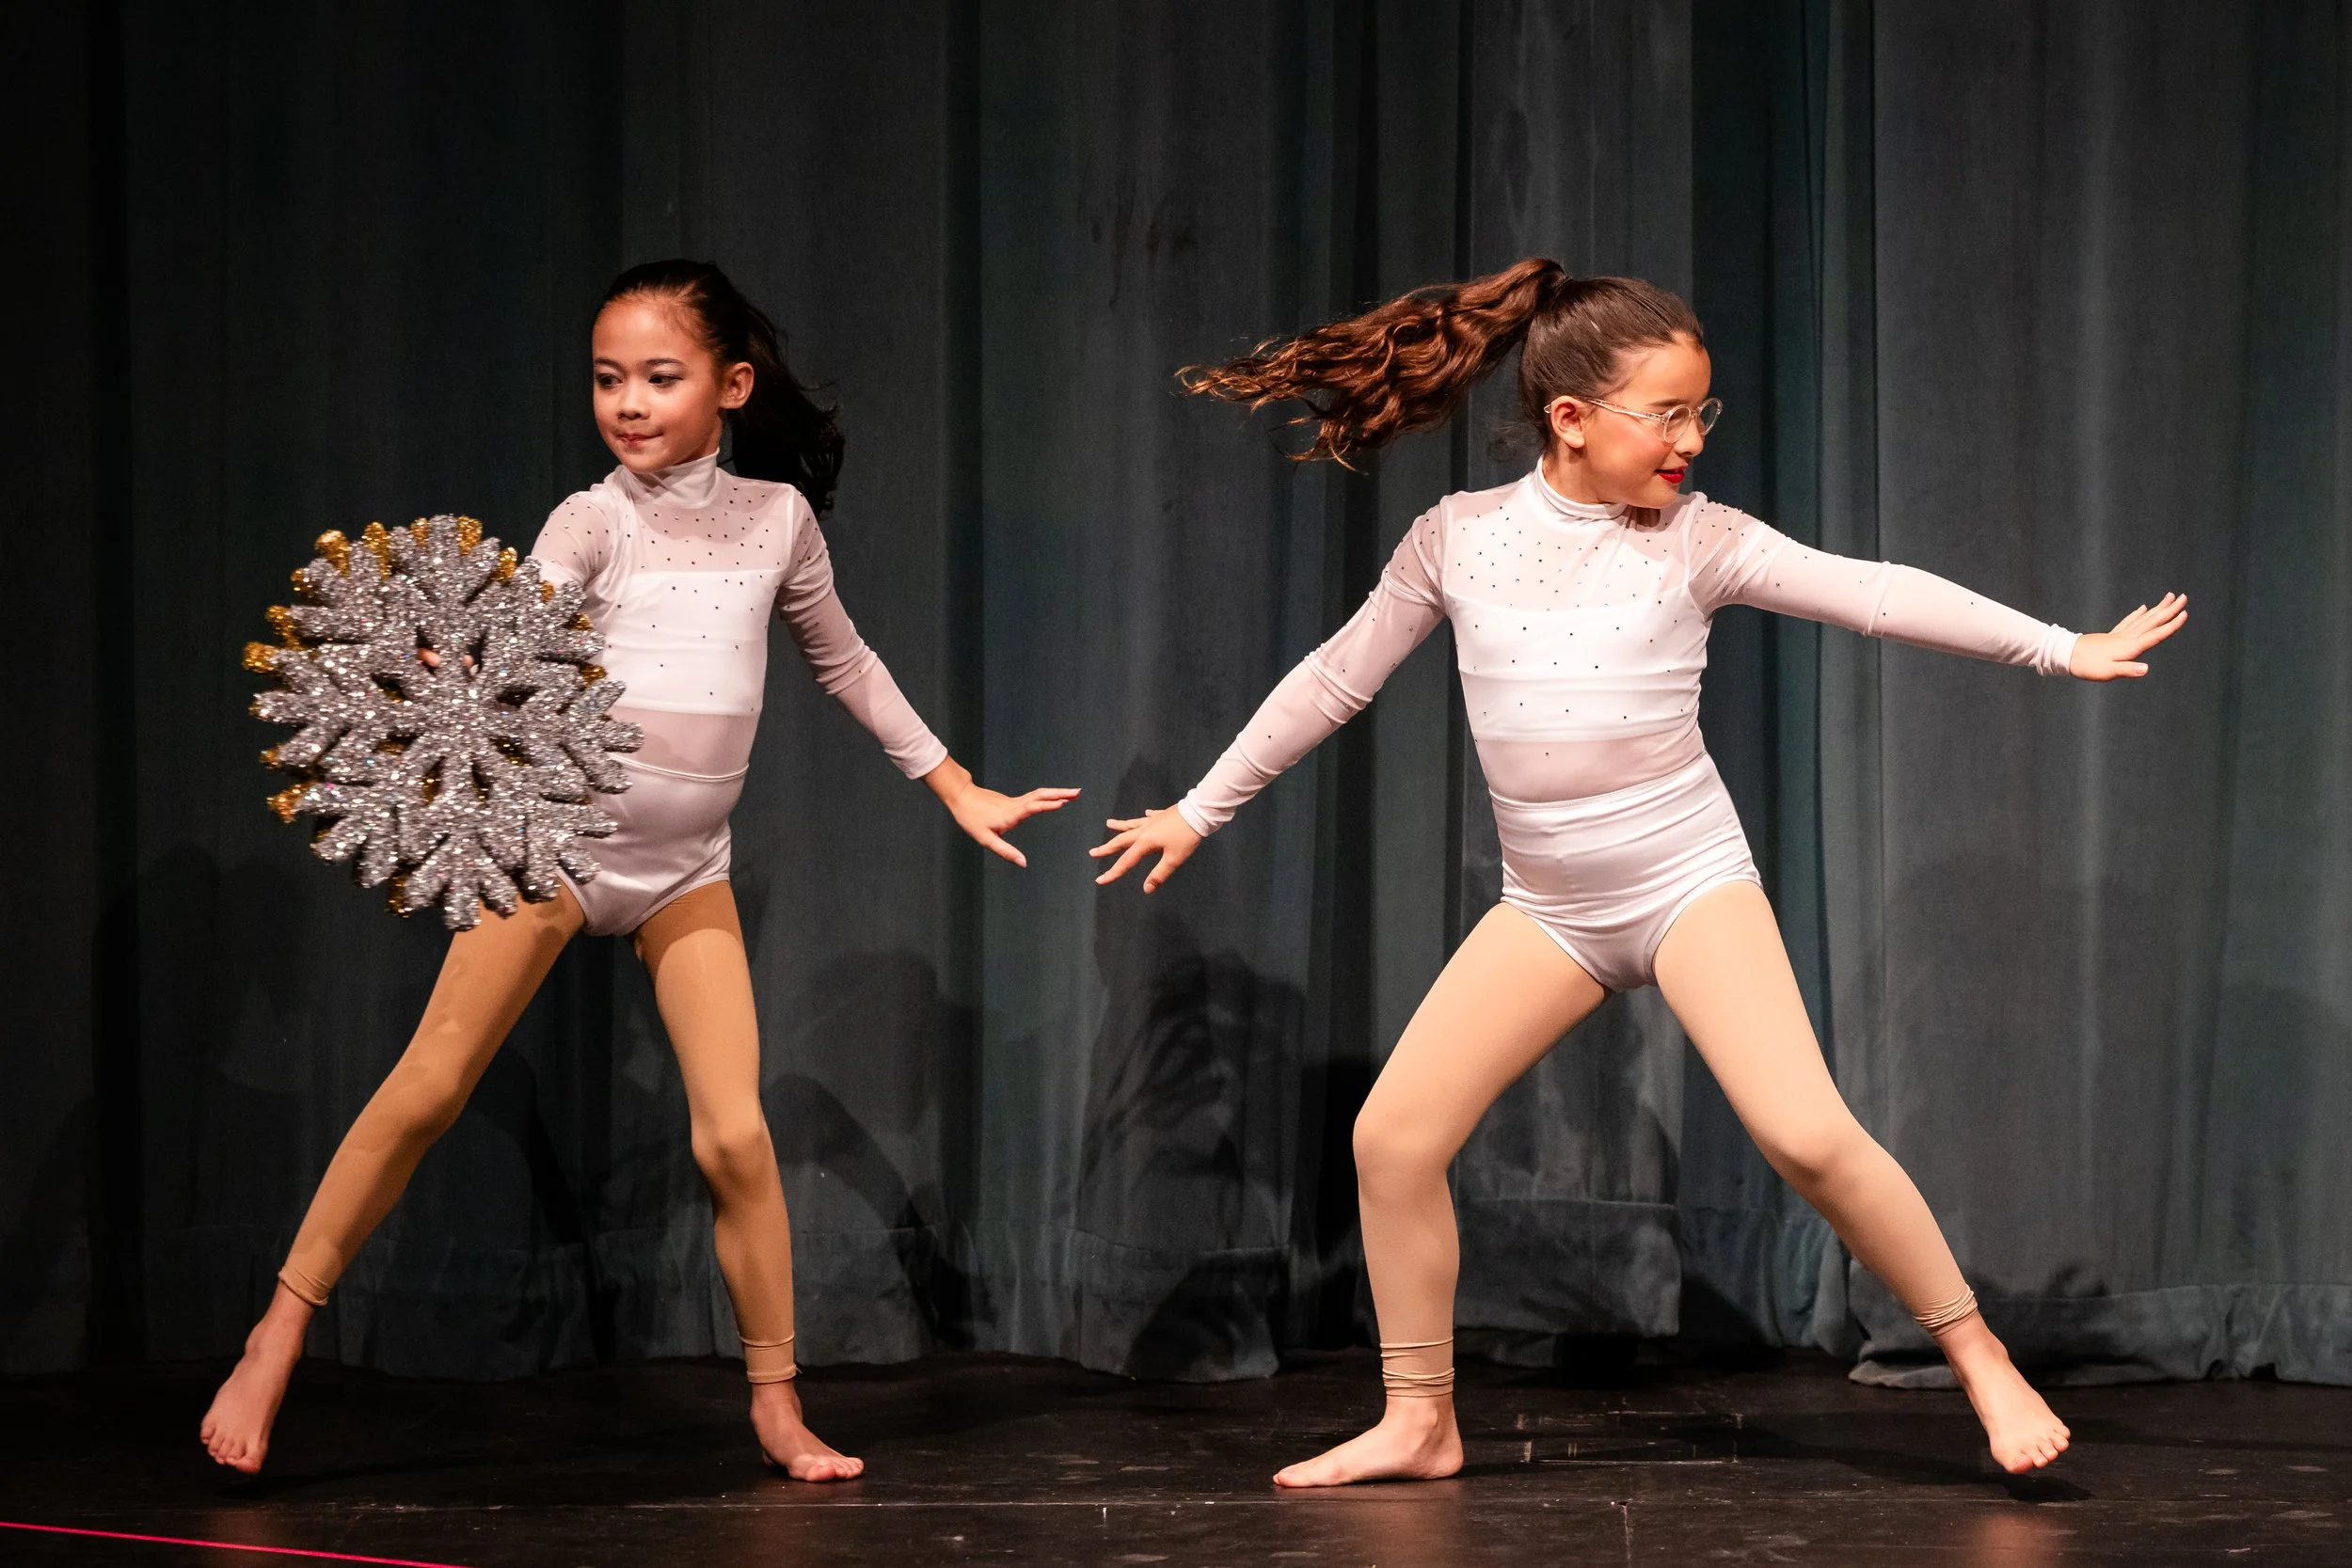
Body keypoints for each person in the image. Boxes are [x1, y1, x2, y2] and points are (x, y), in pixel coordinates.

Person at [1089, 258, 2185, 1484]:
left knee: (1805, 1134)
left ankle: (1979, 1355)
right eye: (1665, 415)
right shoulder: (1456, 539)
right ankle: (1421, 1418)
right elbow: (1334, 680)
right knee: (1392, 1140)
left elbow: (1873, 595)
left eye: (1700, 411)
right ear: (1570, 417)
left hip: (1685, 883)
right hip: (1549, 909)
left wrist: (2059, 647)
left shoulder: (1700, 541)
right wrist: (1199, 809)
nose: (1691, 440)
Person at [201, 260, 1075, 1480]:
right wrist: (448, 673)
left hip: (685, 870)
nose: (627, 401)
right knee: (431, 1085)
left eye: (659, 377)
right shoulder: (592, 521)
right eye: (608, 378)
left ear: (732, 385)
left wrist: (954, 781)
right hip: (557, 847)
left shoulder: (778, 521)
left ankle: (776, 1401)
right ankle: (279, 1328)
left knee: (733, 1139)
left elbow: (848, 663)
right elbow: (514, 650)